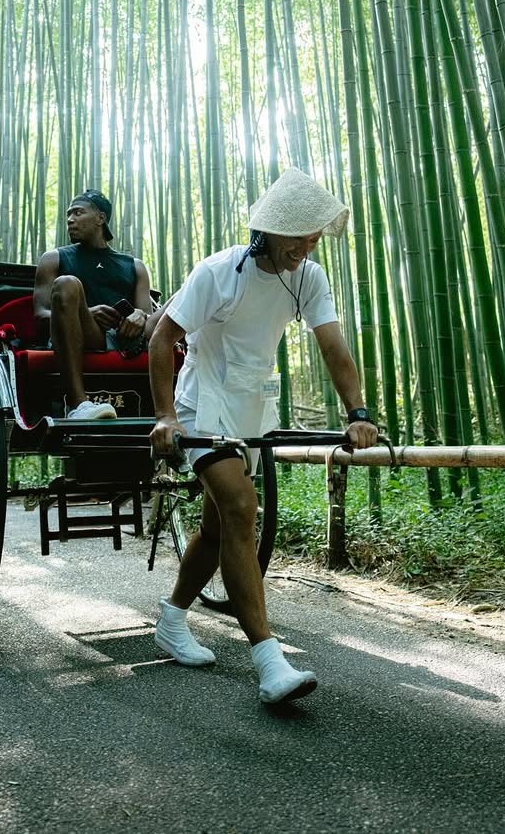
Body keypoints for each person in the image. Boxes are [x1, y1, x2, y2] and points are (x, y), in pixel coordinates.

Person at [149, 167, 379, 705]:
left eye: (314, 233)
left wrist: (358, 410)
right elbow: (163, 338)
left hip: (252, 410)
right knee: (240, 509)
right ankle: (269, 661)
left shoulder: (308, 277)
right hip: (201, 406)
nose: (307, 243)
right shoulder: (218, 272)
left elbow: (332, 344)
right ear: (268, 230)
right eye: (297, 233)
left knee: (216, 528)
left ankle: (172, 618)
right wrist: (166, 417)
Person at [33, 189, 162, 421]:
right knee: (67, 284)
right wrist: (85, 314)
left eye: (78, 212)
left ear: (101, 218)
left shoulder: (135, 266)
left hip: (122, 341)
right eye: (68, 215)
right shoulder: (54, 258)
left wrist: (139, 316)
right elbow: (40, 317)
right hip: (75, 335)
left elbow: (149, 317)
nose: (70, 219)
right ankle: (78, 405)